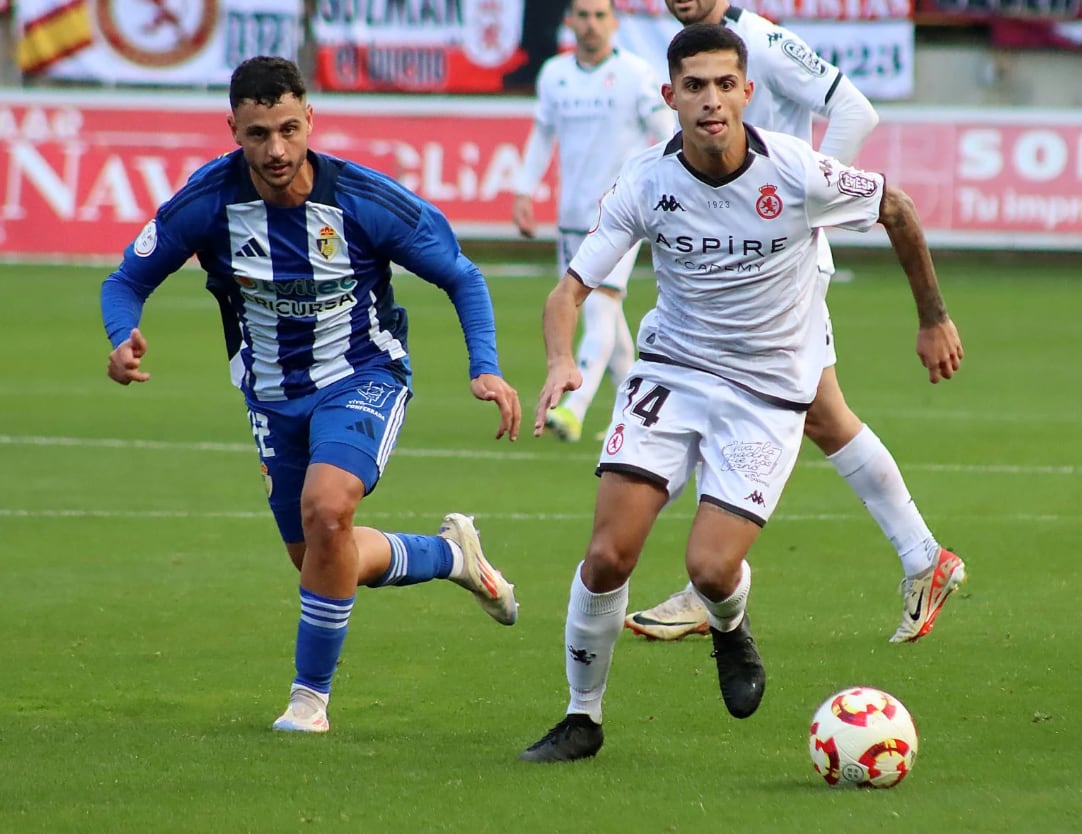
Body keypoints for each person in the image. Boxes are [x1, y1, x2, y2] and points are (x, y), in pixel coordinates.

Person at [520, 23, 963, 763]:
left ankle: (729, 624)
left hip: (766, 393)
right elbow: (568, 290)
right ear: (670, 96)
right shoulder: (646, 181)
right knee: (606, 557)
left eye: (726, 85)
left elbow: (898, 209)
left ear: (748, 92)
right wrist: (561, 360)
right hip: (672, 373)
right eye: (695, 86)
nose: (712, 101)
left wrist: (933, 319)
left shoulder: (794, 170)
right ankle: (582, 717)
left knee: (711, 568)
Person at [100, 56, 523, 734]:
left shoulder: (363, 200)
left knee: (329, 512)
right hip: (271, 397)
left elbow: (463, 277)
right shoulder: (207, 203)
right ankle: (452, 556)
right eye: (259, 133)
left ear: (310, 121)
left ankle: (309, 701)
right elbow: (124, 281)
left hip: (364, 377)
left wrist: (487, 366)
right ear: (232, 127)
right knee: (325, 558)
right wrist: (123, 336)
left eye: (289, 129)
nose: (276, 149)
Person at [624, 0, 966, 645]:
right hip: (750, 253)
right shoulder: (705, 48)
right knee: (823, 416)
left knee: (728, 386)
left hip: (774, 261)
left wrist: (812, 208)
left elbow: (856, 109)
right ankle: (925, 559)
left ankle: (707, 585)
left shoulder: (760, 40)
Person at [512, 0, 674, 443]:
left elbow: (667, 135)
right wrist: (525, 189)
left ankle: (574, 408)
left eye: (600, 15)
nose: (591, 24)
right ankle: (639, 413)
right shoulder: (555, 75)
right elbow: (543, 133)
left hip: (620, 215)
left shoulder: (636, 75)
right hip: (571, 216)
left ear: (615, 22)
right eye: (583, 15)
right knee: (607, 318)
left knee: (599, 305)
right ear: (569, 21)